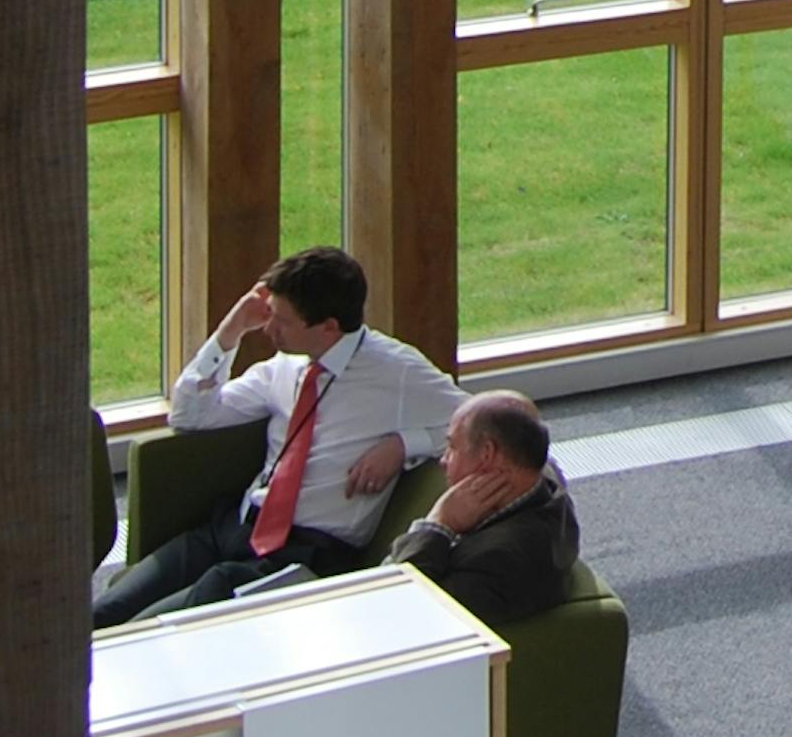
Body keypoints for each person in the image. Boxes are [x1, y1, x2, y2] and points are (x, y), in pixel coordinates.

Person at [89, 247, 460, 628]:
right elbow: (190, 415)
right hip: (232, 528)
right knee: (98, 616)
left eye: (281, 321)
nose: (268, 330)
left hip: (303, 553)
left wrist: (403, 445)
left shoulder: (397, 373)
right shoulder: (284, 368)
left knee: (143, 634)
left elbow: (484, 422)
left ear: (328, 327)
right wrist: (229, 332)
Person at [399, 392, 584, 631]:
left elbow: (400, 607)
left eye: (452, 446)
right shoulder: (540, 479)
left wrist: (439, 523)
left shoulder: (498, 561)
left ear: (487, 454)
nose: (443, 460)